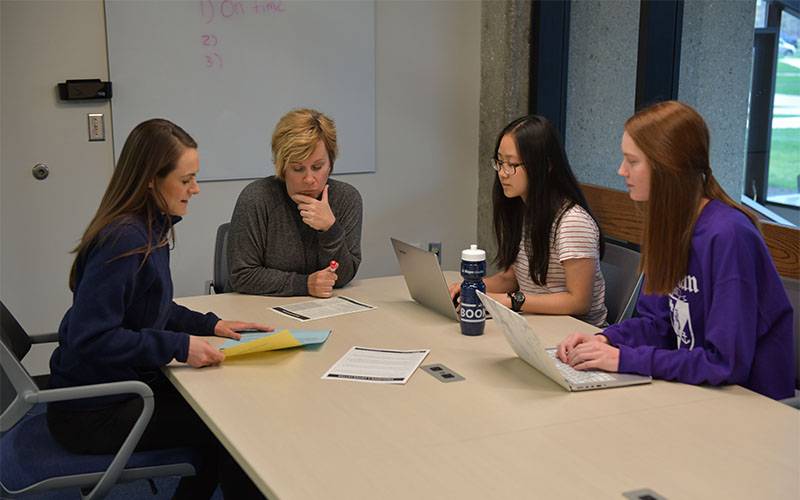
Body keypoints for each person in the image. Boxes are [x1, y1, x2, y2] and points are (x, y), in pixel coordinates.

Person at [46, 118, 271, 498]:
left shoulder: (147, 227)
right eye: (186, 180)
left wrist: (210, 325)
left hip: (118, 389)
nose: (195, 189)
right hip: (92, 411)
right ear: (152, 179)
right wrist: (179, 346)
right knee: (235, 428)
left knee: (227, 415)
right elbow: (92, 337)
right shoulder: (124, 240)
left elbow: (153, 308)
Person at [556, 100, 794, 400]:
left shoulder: (728, 236)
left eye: (631, 161)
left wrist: (624, 359)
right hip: (697, 392)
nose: (621, 170)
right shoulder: (669, 225)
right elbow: (657, 324)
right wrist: (605, 339)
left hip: (749, 405)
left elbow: (725, 364)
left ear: (665, 166)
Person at [449, 115, 607, 327]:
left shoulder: (572, 222)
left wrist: (509, 301)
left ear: (545, 166)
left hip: (575, 335)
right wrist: (472, 287)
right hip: (533, 324)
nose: (503, 173)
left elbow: (578, 302)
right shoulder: (525, 211)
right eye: (500, 162)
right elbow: (513, 277)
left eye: (512, 164)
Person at [228, 108, 363, 297]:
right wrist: (305, 284)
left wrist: (330, 230)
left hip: (327, 309)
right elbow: (242, 275)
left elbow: (343, 277)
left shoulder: (346, 198)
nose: (309, 179)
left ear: (331, 164)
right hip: (263, 308)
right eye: (298, 168)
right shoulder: (257, 197)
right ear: (282, 168)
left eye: (317, 167)